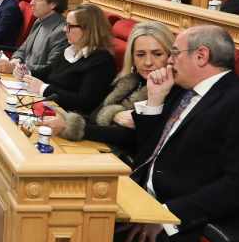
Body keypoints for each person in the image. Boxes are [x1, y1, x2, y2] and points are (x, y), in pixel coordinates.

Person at [114, 24, 239, 242]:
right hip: (145, 205)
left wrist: (166, 215)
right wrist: (155, 100)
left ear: (201, 56)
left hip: (192, 228)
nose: (169, 61)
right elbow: (149, 153)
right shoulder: (185, 92)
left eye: (174, 53)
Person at [41, 21, 175, 159]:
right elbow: (95, 115)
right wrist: (65, 120)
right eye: (140, 55)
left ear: (170, 56)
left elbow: (131, 137)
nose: (148, 62)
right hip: (99, 150)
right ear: (133, 58)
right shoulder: (128, 81)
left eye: (157, 54)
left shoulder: (170, 90)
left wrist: (71, 127)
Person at [20, 4, 115, 116]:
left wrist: (44, 88)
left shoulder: (102, 61)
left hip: (67, 119)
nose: (65, 29)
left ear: (88, 30)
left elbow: (84, 102)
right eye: (66, 24)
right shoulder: (70, 49)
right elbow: (48, 72)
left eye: (69, 26)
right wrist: (26, 72)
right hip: (48, 107)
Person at [0, 0, 68, 77]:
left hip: (36, 84)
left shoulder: (62, 31)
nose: (31, 3)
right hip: (20, 78)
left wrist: (17, 68)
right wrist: (15, 61)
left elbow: (50, 68)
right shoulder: (39, 21)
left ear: (53, 4)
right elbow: (22, 50)